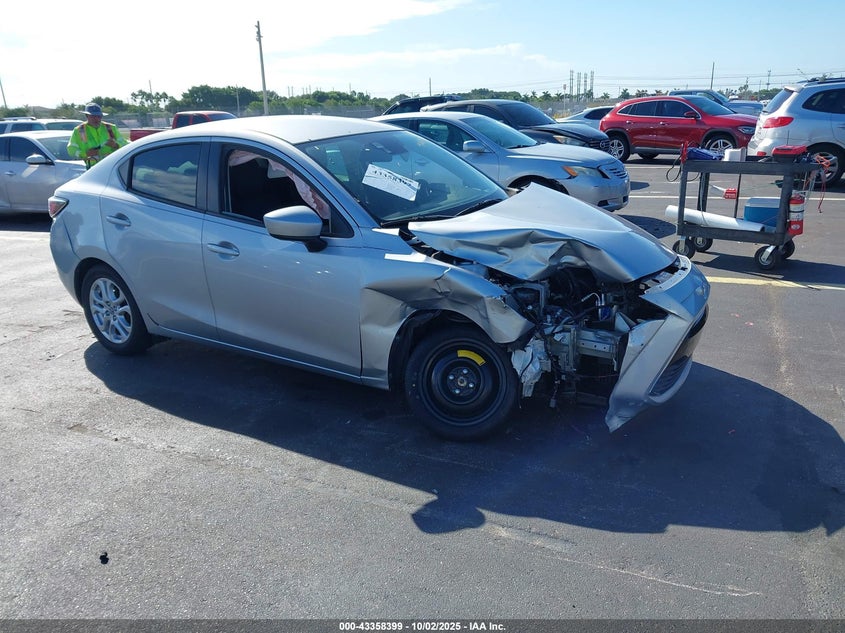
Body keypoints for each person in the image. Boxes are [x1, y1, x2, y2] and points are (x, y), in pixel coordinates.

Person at [67, 103, 127, 169]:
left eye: (99, 116)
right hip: (92, 169)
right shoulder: (79, 130)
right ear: (87, 116)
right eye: (93, 116)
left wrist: (115, 145)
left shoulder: (111, 128)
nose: (96, 119)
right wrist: (85, 154)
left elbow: (125, 145)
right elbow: (71, 149)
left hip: (111, 166)